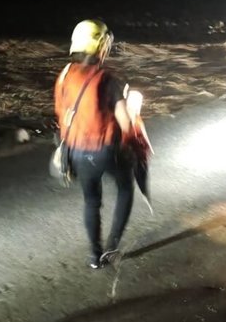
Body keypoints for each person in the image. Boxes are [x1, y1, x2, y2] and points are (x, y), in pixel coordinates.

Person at [53, 19, 137, 269]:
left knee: (91, 201)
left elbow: (61, 112)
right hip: (105, 149)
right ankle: (112, 247)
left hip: (77, 150)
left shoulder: (65, 75)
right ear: (101, 46)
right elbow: (125, 123)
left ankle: (94, 255)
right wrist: (133, 144)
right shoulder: (108, 80)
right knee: (125, 188)